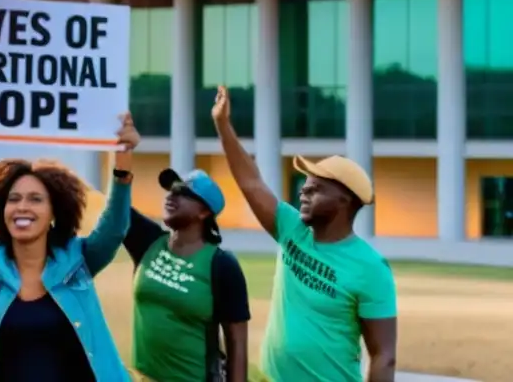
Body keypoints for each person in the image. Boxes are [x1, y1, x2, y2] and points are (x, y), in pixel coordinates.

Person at [0, 109, 139, 382]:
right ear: (1, 209)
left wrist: (123, 164)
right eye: (14, 199)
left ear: (54, 211)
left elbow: (115, 227)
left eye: (36, 199)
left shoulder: (78, 260)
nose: (22, 207)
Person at [209, 85, 397, 382]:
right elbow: (251, 182)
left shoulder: (371, 268)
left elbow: (384, 356)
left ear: (344, 201)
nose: (303, 190)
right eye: (304, 184)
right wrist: (223, 125)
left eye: (316, 187)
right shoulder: (292, 228)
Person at [123, 167, 250, 382]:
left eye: (184, 193)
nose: (172, 196)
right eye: (171, 190)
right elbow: (116, 206)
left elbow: (237, 345)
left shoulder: (221, 265)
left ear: (204, 212)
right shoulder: (148, 241)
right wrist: (122, 163)